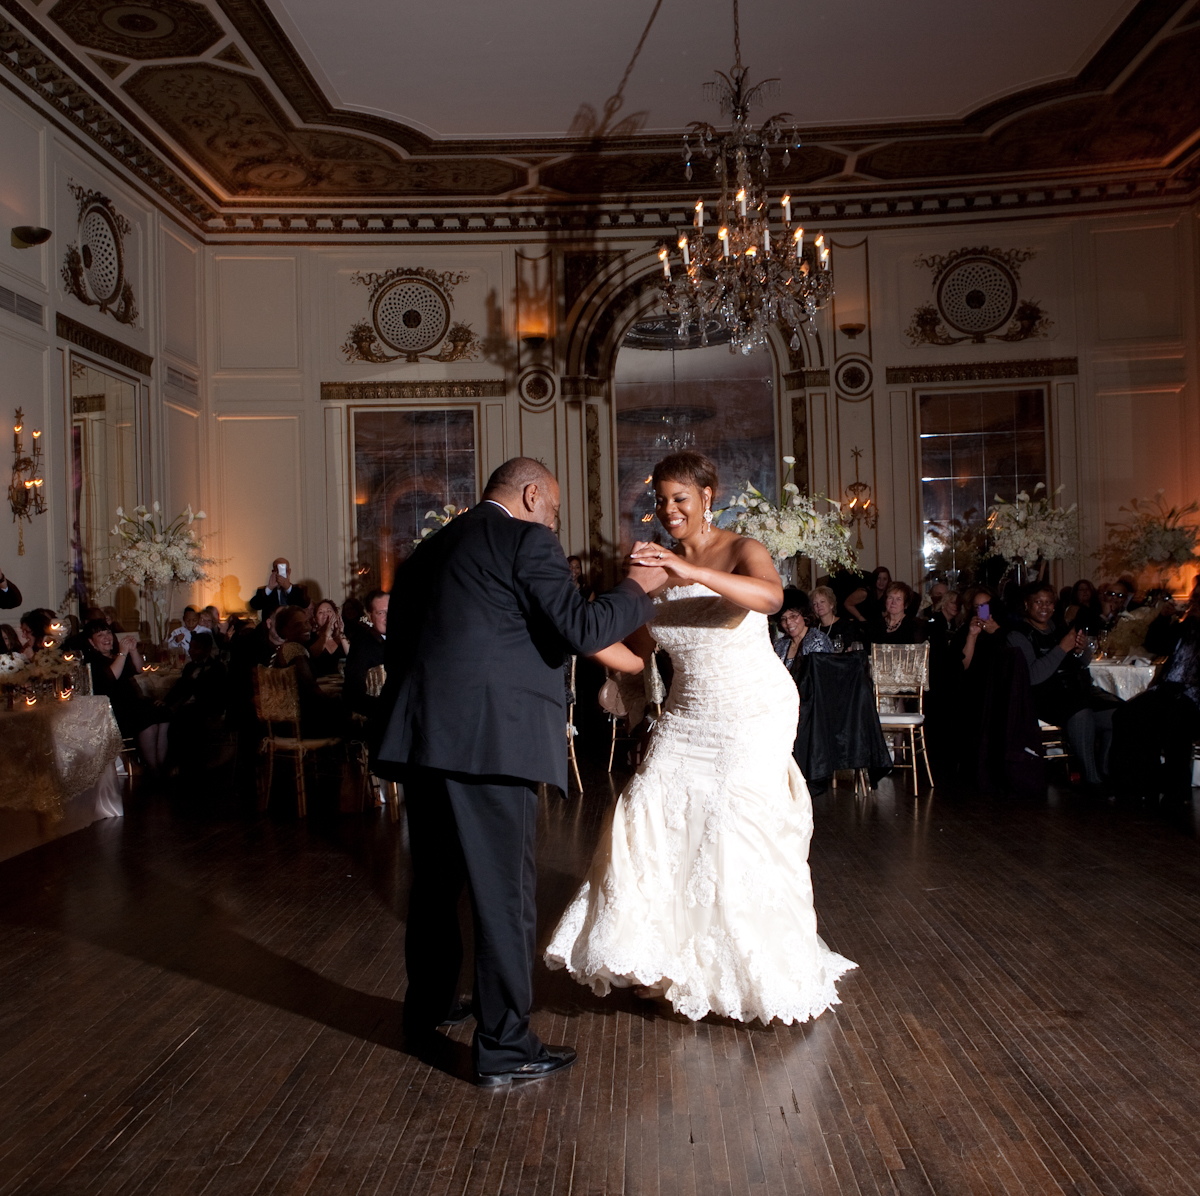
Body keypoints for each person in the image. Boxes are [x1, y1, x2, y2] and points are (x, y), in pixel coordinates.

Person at [377, 456, 664, 1086]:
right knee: (504, 895)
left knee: (434, 884)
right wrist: (638, 587)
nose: (554, 522)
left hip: (424, 740)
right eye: (556, 510)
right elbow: (583, 627)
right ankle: (505, 1044)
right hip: (492, 744)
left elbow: (401, 640)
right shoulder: (526, 538)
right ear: (533, 494)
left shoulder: (430, 549)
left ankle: (426, 1007)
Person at [546, 450, 856, 1026]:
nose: (668, 510)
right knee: (645, 810)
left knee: (730, 827)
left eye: (679, 498)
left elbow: (768, 599)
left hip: (752, 709)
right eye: (660, 500)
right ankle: (666, 959)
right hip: (688, 714)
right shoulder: (645, 565)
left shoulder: (742, 550)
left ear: (708, 496)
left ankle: (750, 969)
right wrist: (571, 633)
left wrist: (690, 571)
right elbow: (637, 659)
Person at [1008, 582, 1120, 787]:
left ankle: (1105, 769)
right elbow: (1032, 676)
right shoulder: (1018, 635)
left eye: (1049, 602)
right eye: (1038, 602)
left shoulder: (1059, 629)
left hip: (1078, 689)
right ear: (1027, 604)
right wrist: (1061, 648)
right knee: (1081, 712)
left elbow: (1082, 662)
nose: (1044, 607)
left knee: (1120, 715)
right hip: (1046, 695)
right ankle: (1091, 778)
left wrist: (1079, 650)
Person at [82, 619, 171, 772]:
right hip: (114, 709)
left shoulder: (117, 656)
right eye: (100, 635)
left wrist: (133, 650)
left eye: (108, 633)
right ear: (92, 642)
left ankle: (160, 766)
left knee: (163, 714)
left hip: (132, 702)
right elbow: (111, 677)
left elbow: (139, 668)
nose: (106, 637)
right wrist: (122, 653)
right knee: (146, 720)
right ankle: (153, 769)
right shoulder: (93, 661)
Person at [344, 589, 388, 721]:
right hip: (377, 720)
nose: (388, 616)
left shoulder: (407, 641)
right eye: (381, 613)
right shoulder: (363, 645)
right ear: (370, 617)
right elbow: (352, 693)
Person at [773, 593, 833, 675]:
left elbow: (824, 678)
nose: (788, 622)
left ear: (804, 615)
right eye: (783, 619)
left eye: (793, 616)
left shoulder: (818, 641)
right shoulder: (780, 644)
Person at [248, 557, 309, 622]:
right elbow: (254, 605)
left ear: (289, 571)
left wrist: (288, 588)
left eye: (283, 570)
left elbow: (304, 604)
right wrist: (269, 588)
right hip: (271, 627)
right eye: (277, 570)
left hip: (293, 628)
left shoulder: (299, 590)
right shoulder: (265, 591)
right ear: (273, 572)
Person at [810, 584, 859, 651]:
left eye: (822, 602)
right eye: (815, 603)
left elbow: (849, 650)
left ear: (831, 604)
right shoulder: (813, 628)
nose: (819, 605)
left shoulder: (845, 625)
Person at [309, 599, 349, 678]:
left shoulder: (345, 635)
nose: (325, 614)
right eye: (320, 612)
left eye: (329, 611)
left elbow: (352, 655)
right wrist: (326, 633)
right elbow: (313, 654)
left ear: (336, 614)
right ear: (315, 618)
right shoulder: (311, 638)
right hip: (320, 684)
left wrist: (341, 634)